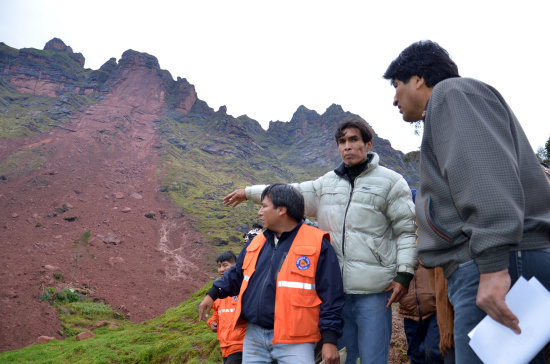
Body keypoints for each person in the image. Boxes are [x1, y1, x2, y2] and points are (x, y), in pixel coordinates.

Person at [383, 40, 550, 363]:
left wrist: (492, 267)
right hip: (500, 260)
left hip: (492, 263)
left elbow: (483, 175)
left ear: (418, 78)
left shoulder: (451, 94)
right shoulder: (454, 104)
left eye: (396, 85)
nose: (394, 99)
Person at [223, 118, 417, 364]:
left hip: (375, 291)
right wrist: (248, 192)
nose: (347, 146)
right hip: (333, 294)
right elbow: (289, 192)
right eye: (342, 141)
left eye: (354, 140)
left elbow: (406, 230)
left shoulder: (391, 182)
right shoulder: (326, 184)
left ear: (368, 144)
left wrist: (404, 274)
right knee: (339, 358)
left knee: (373, 358)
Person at [199, 184, 345, 364]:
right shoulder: (256, 243)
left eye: (264, 206)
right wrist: (213, 294)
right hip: (254, 337)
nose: (260, 212)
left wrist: (330, 340)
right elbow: (237, 275)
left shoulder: (317, 243)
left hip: (296, 340)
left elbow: (331, 295)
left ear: (282, 210)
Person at [398, 189, 445, 364]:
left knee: (434, 352)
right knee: (415, 356)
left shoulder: (432, 234)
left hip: (435, 308)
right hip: (410, 311)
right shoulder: (397, 236)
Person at [206, 251, 245, 364]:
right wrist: (211, 322)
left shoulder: (243, 288)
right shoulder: (218, 294)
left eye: (225, 265)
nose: (221, 269)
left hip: (241, 345)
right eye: (219, 266)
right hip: (225, 347)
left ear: (235, 266)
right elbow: (216, 314)